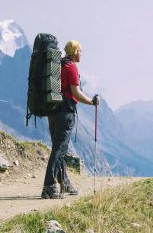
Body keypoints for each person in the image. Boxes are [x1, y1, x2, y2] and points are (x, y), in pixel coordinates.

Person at [41, 40, 100, 199]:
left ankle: (64, 182)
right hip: (65, 112)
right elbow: (76, 92)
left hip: (52, 111)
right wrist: (92, 102)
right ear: (75, 52)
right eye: (80, 51)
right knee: (59, 149)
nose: (81, 54)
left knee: (58, 147)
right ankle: (49, 186)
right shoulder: (71, 66)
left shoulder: (58, 64)